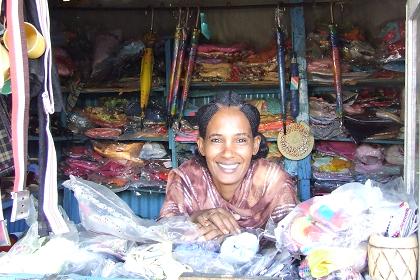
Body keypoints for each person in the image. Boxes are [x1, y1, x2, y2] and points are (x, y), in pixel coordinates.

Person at [159, 93, 298, 240]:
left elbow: (294, 237)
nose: (228, 153)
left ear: (255, 145)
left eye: (241, 140)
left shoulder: (272, 181)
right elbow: (165, 233)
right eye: (217, 140)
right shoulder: (187, 178)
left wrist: (236, 237)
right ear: (202, 145)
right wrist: (195, 218)